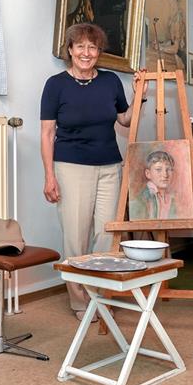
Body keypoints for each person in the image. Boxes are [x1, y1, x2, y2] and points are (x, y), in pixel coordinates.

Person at [41, 23, 146, 320]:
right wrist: (49, 175)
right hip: (71, 166)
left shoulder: (111, 81)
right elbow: (48, 133)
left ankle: (100, 296)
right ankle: (79, 302)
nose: (86, 53)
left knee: (105, 235)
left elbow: (125, 120)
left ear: (99, 52)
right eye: (80, 47)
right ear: (70, 50)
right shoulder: (55, 85)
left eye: (93, 47)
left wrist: (139, 94)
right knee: (76, 237)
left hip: (110, 166)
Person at [130, 150, 177, 220]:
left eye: (169, 169)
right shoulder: (141, 200)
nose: (165, 174)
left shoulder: (172, 199)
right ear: (148, 173)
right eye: (158, 169)